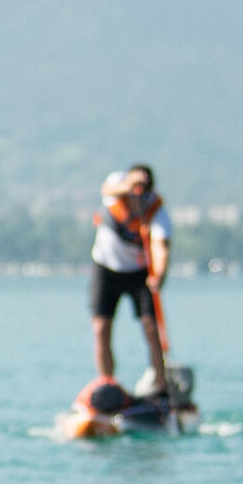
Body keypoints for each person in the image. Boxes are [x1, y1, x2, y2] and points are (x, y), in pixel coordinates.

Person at [89, 166, 172, 394]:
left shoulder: (156, 212)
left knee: (150, 327)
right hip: (105, 268)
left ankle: (162, 385)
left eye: (143, 188)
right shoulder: (116, 184)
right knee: (101, 326)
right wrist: (129, 184)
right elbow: (106, 189)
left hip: (139, 273)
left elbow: (160, 247)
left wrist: (159, 274)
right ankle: (107, 383)